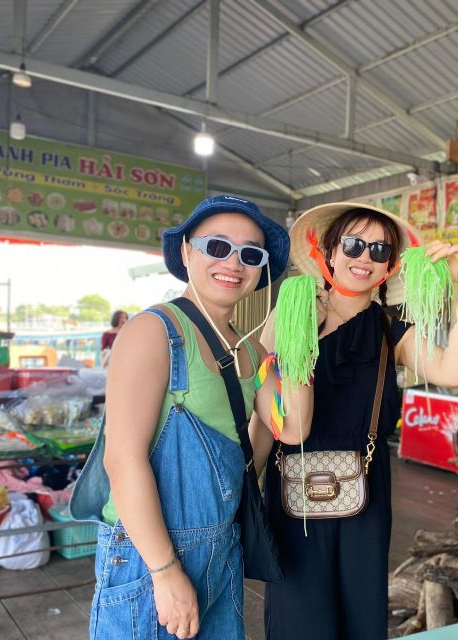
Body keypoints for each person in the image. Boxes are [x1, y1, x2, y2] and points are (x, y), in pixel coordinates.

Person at [70, 195, 310, 640]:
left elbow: (290, 427)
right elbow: (122, 460)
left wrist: (295, 337)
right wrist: (165, 572)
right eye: (217, 246)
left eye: (250, 255)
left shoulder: (251, 351)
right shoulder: (153, 331)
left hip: (221, 552)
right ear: (186, 252)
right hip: (149, 561)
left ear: (260, 272)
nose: (233, 263)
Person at [252, 202, 458, 640]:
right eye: (353, 244)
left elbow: (456, 372)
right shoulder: (292, 315)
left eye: (379, 250)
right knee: (300, 619)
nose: (364, 258)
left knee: (359, 617)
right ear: (329, 252)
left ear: (390, 267)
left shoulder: (393, 329)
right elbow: (266, 408)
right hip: (291, 488)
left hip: (364, 492)